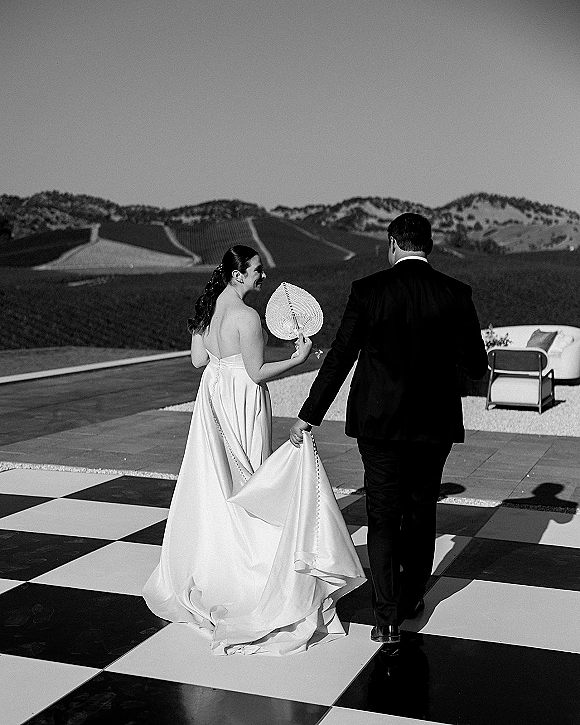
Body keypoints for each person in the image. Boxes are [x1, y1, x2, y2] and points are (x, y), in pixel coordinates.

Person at [143, 245, 365, 655]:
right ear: (237, 274)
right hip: (243, 398)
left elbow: (197, 361)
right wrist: (298, 359)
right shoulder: (247, 316)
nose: (263, 277)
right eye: (257, 270)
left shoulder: (206, 308)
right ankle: (257, 563)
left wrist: (218, 365)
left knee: (219, 476)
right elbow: (255, 371)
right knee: (253, 477)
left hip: (212, 395)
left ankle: (217, 555)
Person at [290, 213, 488, 645]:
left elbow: (340, 357)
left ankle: (385, 617)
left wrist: (310, 413)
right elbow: (476, 365)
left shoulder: (368, 291)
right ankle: (412, 598)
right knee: (420, 512)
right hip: (433, 425)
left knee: (381, 516)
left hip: (378, 424)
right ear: (428, 245)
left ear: (394, 244)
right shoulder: (455, 294)